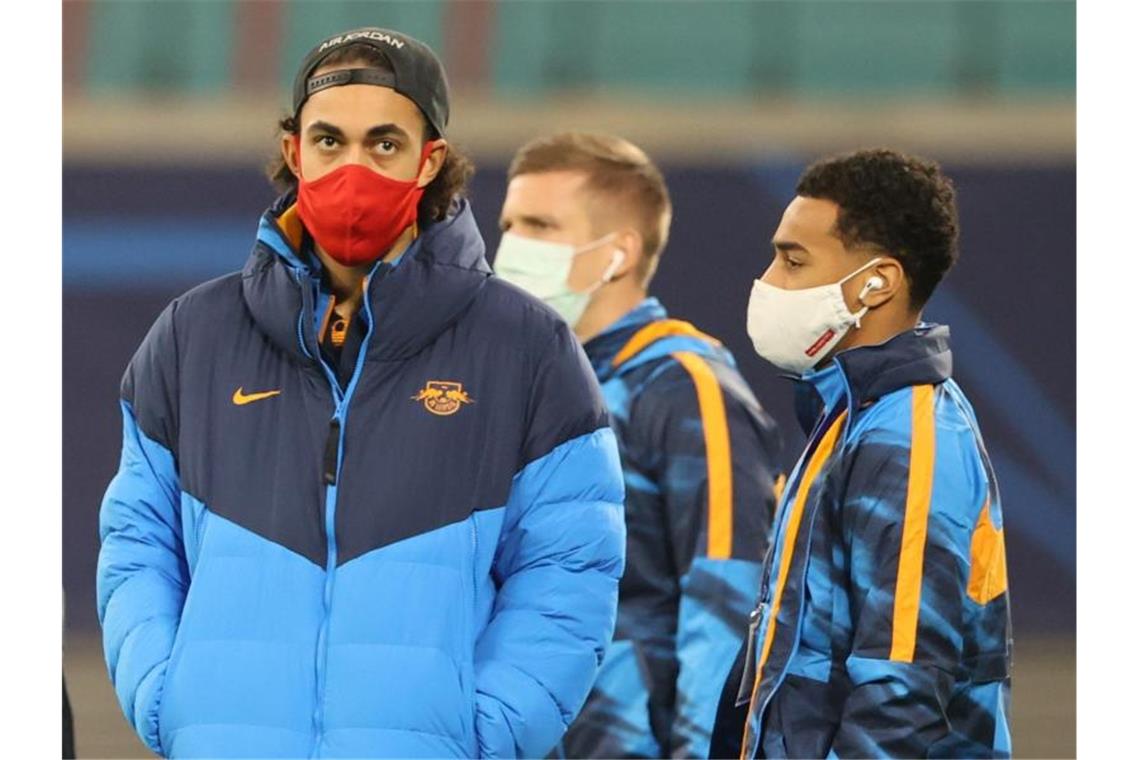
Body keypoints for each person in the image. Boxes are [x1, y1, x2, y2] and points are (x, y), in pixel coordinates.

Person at [96, 27, 626, 759]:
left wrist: (487, 732)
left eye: (383, 144)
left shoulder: (527, 346)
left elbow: (570, 570)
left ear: (428, 159)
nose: (353, 168)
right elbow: (137, 542)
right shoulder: (195, 335)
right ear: (294, 152)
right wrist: (167, 696)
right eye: (328, 141)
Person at [711, 148, 1012, 759]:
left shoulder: (910, 440)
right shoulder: (851, 419)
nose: (768, 281)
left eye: (793, 260)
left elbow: (899, 686)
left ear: (878, 283)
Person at [495, 133, 784, 759]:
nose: (511, 248)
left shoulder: (686, 387)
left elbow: (729, 605)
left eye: (540, 225)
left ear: (618, 253)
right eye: (509, 225)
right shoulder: (516, 393)